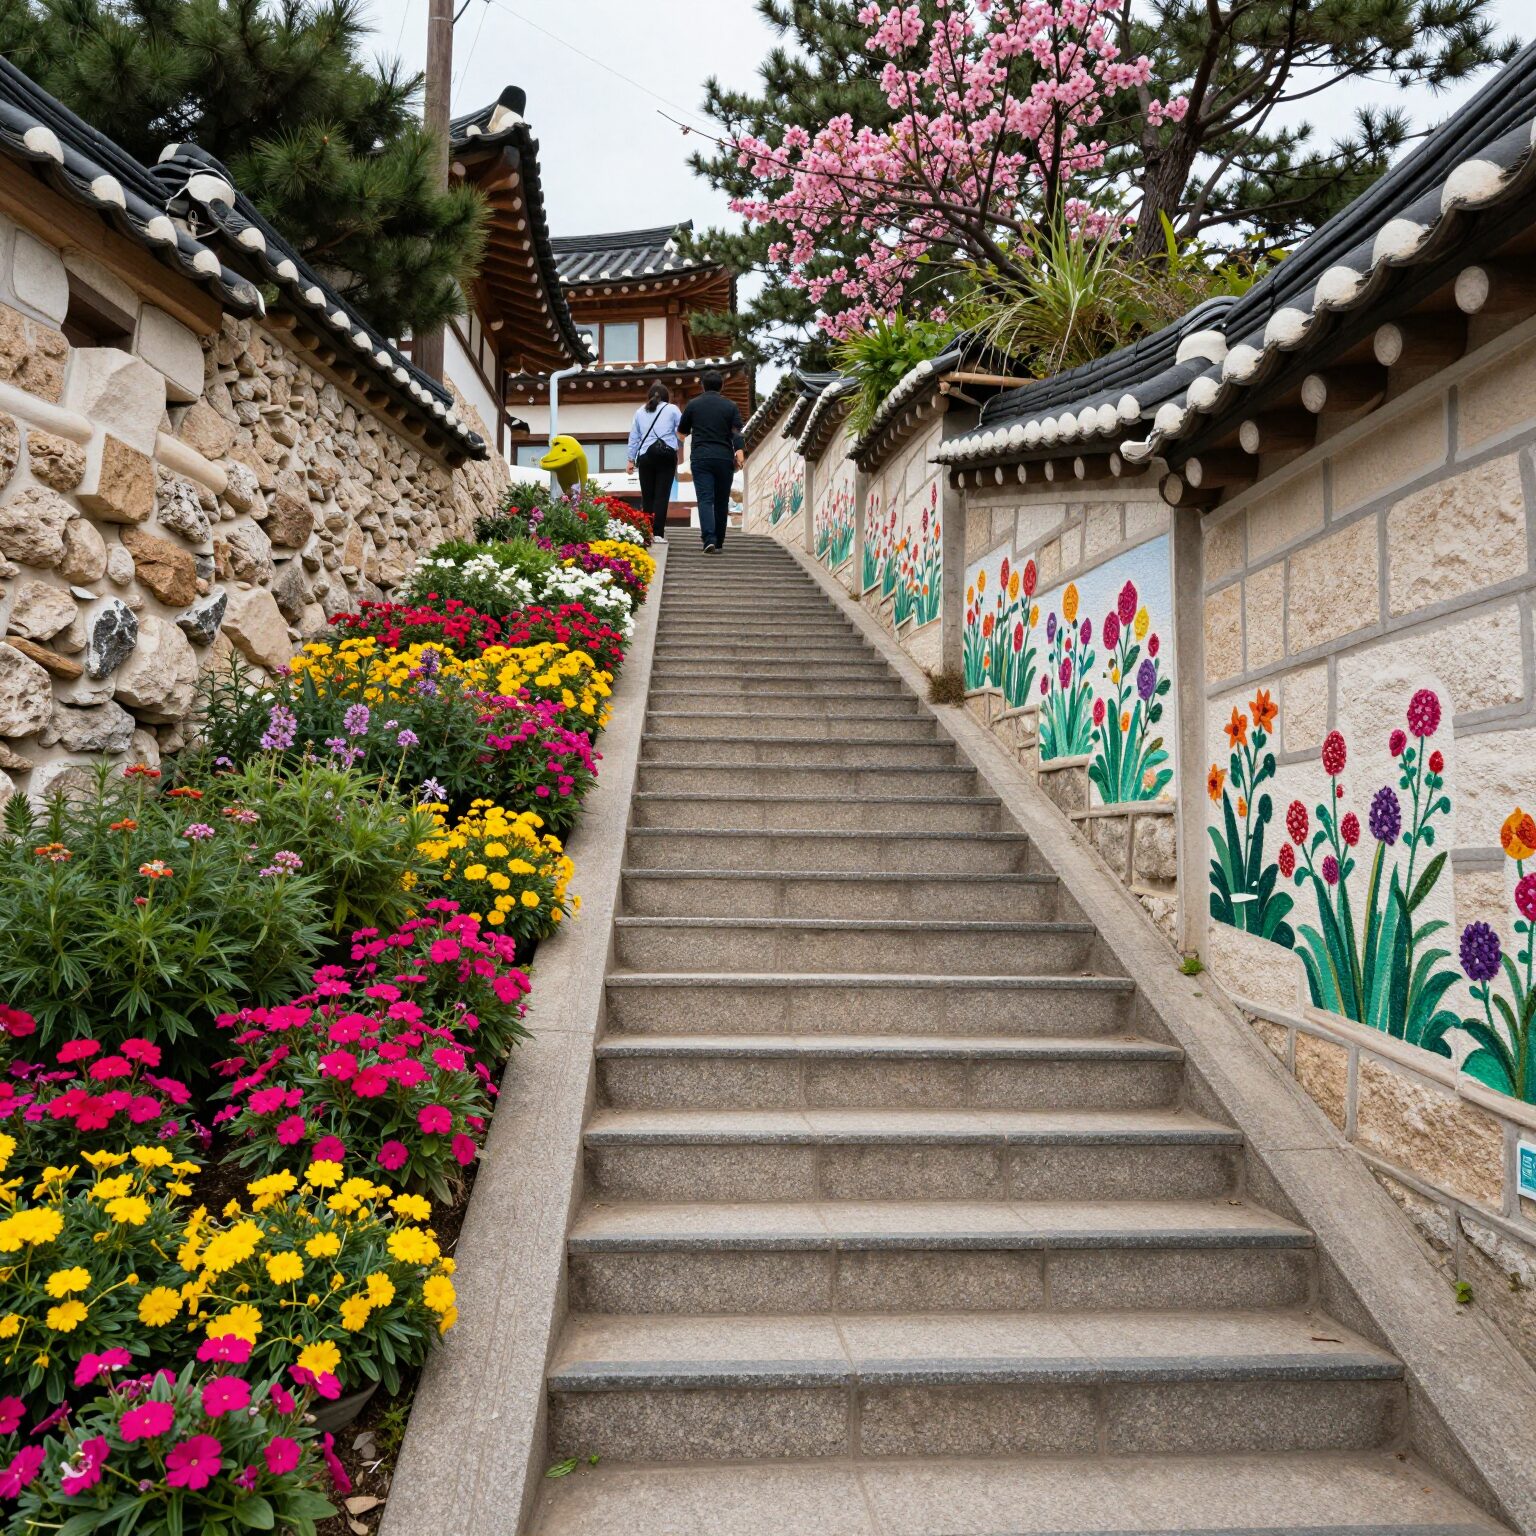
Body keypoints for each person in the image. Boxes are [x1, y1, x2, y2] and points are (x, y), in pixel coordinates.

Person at [677, 369, 745, 553]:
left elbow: (682, 431)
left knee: (705, 499)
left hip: (701, 457)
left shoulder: (693, 404)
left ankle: (709, 538)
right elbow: (737, 432)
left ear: (703, 386)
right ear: (721, 386)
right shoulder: (730, 406)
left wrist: (685, 436)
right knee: (722, 500)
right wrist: (739, 453)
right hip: (723, 458)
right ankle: (720, 540)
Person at [626, 383, 681, 541]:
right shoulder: (672, 409)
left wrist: (630, 460)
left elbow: (634, 437)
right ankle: (658, 534)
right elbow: (681, 429)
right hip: (667, 455)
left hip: (646, 456)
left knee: (647, 496)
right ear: (666, 397)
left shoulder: (639, 411)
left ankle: (646, 532)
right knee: (662, 496)